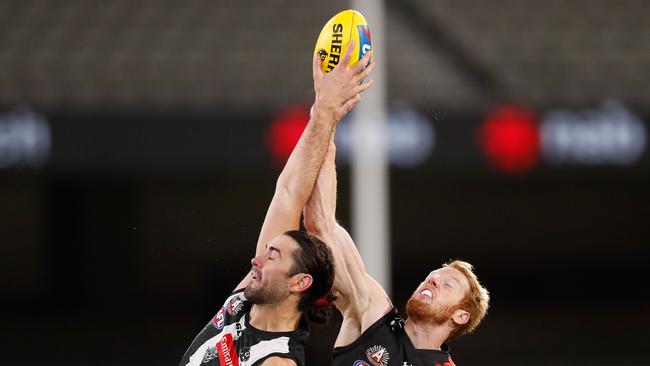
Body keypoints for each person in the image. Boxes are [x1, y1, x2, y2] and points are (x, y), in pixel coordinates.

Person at [179, 41, 375, 366]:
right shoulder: (246, 303)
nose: (257, 261)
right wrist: (323, 110)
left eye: (273, 256)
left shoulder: (277, 360)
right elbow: (288, 192)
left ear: (299, 282)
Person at [303, 142, 490, 366]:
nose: (432, 280)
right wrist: (326, 128)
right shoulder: (373, 312)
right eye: (432, 276)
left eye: (448, 284)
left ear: (460, 316)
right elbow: (321, 226)